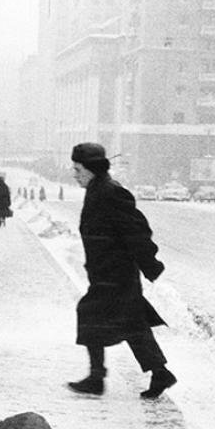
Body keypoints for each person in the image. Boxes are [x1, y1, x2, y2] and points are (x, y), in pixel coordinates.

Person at [67, 142, 177, 399]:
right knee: (132, 324)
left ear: (91, 169)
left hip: (116, 275)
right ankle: (160, 373)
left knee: (91, 313)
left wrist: (150, 264)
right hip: (108, 273)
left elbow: (136, 230)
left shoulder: (111, 192)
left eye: (78, 168)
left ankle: (97, 377)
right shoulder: (98, 189)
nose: (75, 174)